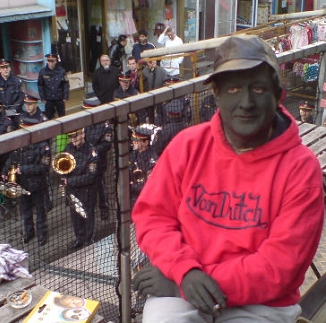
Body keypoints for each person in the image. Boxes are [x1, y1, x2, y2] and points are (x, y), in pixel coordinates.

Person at [132, 35, 324, 322]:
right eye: (233, 88)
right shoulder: (188, 146)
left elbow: (279, 268)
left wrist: (181, 283)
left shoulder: (301, 170)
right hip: (187, 281)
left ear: (278, 95)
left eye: (258, 88)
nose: (245, 102)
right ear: (217, 95)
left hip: (262, 303)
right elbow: (153, 217)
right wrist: (183, 270)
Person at [2, 116, 51, 246]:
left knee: (40, 211)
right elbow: (11, 159)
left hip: (37, 184)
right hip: (22, 184)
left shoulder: (43, 146)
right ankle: (29, 232)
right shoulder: (19, 144)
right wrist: (4, 171)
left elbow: (44, 167)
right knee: (25, 210)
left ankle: (42, 234)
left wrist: (23, 169)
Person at [59, 128, 98, 250]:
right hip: (72, 191)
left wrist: (69, 181)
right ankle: (79, 238)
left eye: (76, 136)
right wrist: (62, 177)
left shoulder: (91, 152)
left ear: (83, 134)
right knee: (75, 216)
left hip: (86, 191)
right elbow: (61, 166)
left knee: (87, 215)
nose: (73, 139)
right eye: (71, 136)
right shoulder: (68, 148)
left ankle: (88, 239)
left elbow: (90, 177)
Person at [82, 97, 113, 221]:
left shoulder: (105, 125)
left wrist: (93, 150)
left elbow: (107, 144)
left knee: (100, 185)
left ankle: (104, 208)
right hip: (84, 160)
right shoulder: (83, 123)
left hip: (99, 161)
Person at [129, 125, 158, 209]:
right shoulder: (134, 154)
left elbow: (150, 186)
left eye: (137, 140)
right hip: (133, 198)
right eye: (133, 140)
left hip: (145, 200)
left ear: (146, 143)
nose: (134, 142)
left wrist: (131, 186)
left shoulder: (152, 161)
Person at [37, 53, 69, 119]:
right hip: (48, 99)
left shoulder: (61, 71)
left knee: (62, 116)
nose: (50, 63)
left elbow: (66, 84)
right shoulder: (42, 72)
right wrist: (42, 97)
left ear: (56, 61)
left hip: (59, 98)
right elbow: (40, 85)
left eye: (52, 61)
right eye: (49, 61)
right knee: (48, 117)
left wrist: (65, 96)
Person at [142, 59, 168, 125]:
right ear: (147, 63)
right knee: (151, 117)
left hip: (160, 99)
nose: (153, 63)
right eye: (150, 62)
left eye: (154, 61)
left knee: (160, 115)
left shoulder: (162, 71)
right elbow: (144, 85)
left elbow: (165, 83)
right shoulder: (144, 71)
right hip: (149, 99)